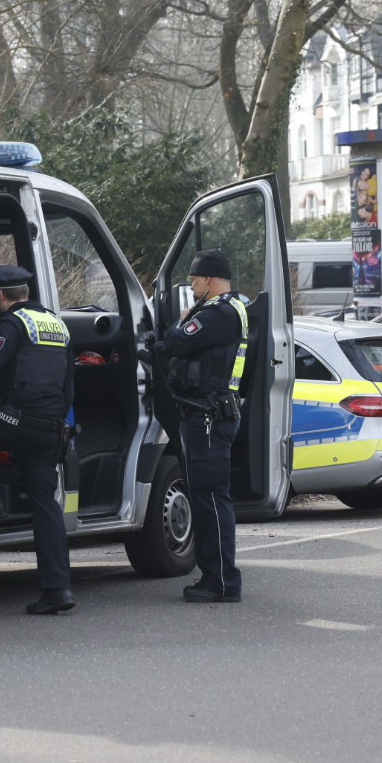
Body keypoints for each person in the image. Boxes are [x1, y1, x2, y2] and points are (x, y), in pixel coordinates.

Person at [0, 264, 76, 615]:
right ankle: (58, 589)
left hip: (16, 425)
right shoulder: (57, 325)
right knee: (46, 506)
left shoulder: (12, 324)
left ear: (1, 295)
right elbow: (68, 387)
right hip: (50, 428)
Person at [155, 248, 250, 603]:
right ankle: (216, 577)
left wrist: (183, 318)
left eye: (194, 279)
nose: (192, 285)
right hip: (209, 414)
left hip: (208, 417)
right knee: (208, 498)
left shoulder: (219, 313)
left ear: (208, 280)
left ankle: (222, 581)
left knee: (210, 499)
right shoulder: (232, 307)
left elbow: (177, 341)